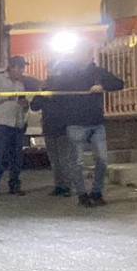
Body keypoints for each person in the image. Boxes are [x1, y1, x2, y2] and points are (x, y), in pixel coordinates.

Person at [51, 49, 124, 207]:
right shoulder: (68, 73)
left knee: (102, 160)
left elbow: (119, 84)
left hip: (96, 123)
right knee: (77, 162)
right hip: (76, 124)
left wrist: (103, 85)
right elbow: (55, 90)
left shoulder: (98, 72)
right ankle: (82, 195)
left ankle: (96, 192)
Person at [0, 56, 31, 197]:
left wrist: (24, 106)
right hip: (2, 124)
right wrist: (6, 97)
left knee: (16, 157)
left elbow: (21, 103)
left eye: (23, 68)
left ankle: (14, 185)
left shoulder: (20, 84)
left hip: (17, 124)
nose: (22, 71)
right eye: (20, 67)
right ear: (11, 67)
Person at [30, 61, 76, 198]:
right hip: (49, 127)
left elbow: (69, 104)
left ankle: (67, 186)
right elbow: (34, 106)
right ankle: (59, 186)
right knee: (54, 160)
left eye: (53, 70)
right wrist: (41, 93)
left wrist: (52, 97)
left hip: (63, 127)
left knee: (64, 159)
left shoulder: (67, 86)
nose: (50, 73)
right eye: (49, 70)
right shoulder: (44, 88)